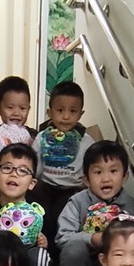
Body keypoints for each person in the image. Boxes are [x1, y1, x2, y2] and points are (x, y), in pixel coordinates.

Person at [56, 140, 134, 266]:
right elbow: (63, 237)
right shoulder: (78, 202)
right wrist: (92, 238)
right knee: (74, 248)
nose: (106, 178)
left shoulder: (130, 206)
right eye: (98, 172)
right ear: (86, 180)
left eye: (113, 171)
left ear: (124, 176)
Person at [32, 81, 95, 241]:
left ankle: (56, 247)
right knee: (40, 211)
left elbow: (92, 168)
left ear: (80, 114)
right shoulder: (41, 138)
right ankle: (41, 242)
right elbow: (34, 166)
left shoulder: (86, 142)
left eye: (73, 111)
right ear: (49, 112)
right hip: (45, 186)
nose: (66, 116)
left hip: (71, 189)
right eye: (60, 110)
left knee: (61, 214)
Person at [0, 75, 37, 150]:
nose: (16, 113)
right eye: (10, 108)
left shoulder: (33, 136)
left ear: (28, 109)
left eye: (22, 108)